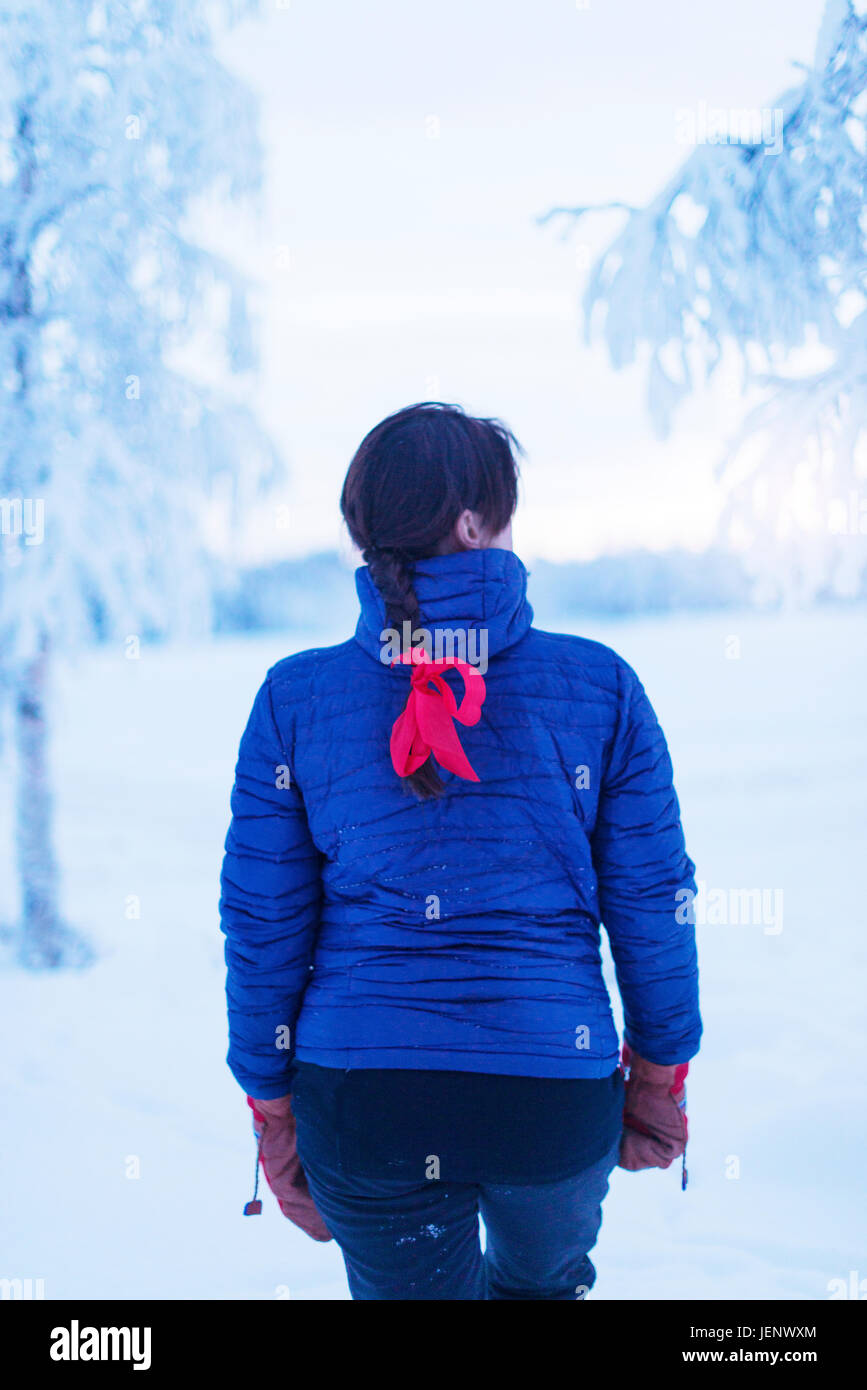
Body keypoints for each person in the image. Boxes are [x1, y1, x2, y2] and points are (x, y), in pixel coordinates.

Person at [220, 401, 701, 1301]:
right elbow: (653, 901)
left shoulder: (292, 697)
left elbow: (263, 920)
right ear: (473, 525)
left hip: (363, 1105)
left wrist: (272, 1107)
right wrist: (657, 1077)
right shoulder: (600, 685)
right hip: (550, 1099)